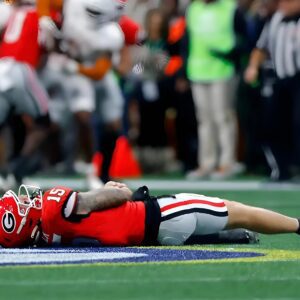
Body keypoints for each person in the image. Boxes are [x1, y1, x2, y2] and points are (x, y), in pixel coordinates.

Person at [0, 181, 299, 248]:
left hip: (153, 238)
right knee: (240, 211)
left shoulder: (45, 240)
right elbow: (119, 195)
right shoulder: (53, 207)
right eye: (21, 206)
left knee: (233, 222)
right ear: (22, 220)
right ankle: (298, 226)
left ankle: (233, 238)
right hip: (160, 214)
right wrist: (111, 188)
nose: (26, 200)